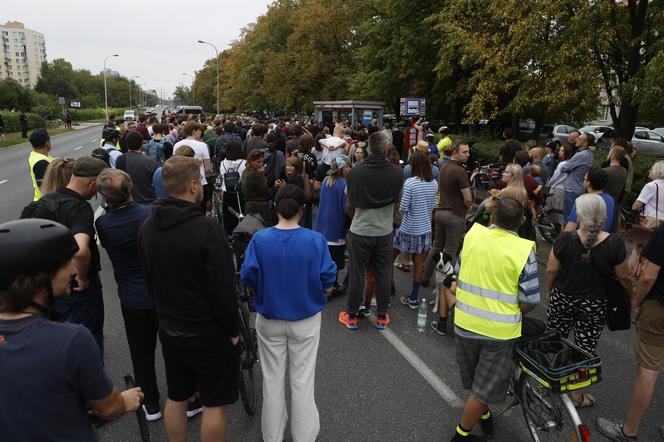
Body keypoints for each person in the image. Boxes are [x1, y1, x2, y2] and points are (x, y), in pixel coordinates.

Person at [0, 218, 144, 441]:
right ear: (37, 278)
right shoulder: (71, 340)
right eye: (66, 262)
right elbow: (106, 408)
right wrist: (125, 401)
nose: (73, 270)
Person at [138, 156, 239, 442]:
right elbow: (222, 289)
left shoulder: (148, 227)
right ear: (193, 185)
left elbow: (149, 280)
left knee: (178, 396)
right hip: (207, 331)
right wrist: (232, 331)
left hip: (171, 327)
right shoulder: (206, 230)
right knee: (213, 403)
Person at [241, 185, 335, 442]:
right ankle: (304, 436)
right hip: (305, 318)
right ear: (302, 210)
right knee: (303, 379)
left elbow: (248, 275)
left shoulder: (260, 239)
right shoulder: (315, 240)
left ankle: (272, 436)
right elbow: (328, 278)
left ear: (275, 208)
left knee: (272, 380)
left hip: (269, 318)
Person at [450, 197, 540, 441]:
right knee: (483, 389)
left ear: (492, 216)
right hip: (499, 333)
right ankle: (461, 436)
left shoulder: (473, 236)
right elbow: (531, 298)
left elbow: (457, 274)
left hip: (464, 323)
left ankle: (484, 416)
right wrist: (516, 312)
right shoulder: (524, 250)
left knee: (475, 382)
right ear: (522, 221)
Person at [546, 194, 632, 407]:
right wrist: (631, 296)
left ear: (580, 214)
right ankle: (577, 395)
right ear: (604, 214)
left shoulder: (565, 239)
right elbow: (624, 276)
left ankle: (547, 383)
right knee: (584, 348)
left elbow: (551, 269)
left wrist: (550, 291)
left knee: (555, 340)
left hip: (562, 297)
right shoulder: (614, 243)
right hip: (594, 304)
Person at [21, 157, 108, 354]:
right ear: (93, 183)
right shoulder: (79, 208)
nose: (98, 192)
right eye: (99, 187)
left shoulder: (42, 203)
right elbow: (81, 249)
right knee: (86, 347)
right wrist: (82, 277)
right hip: (77, 293)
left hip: (46, 289)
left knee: (56, 348)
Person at [95, 169, 162, 421]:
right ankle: (187, 396)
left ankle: (151, 403)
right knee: (174, 346)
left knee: (141, 352)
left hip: (131, 296)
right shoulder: (150, 213)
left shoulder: (103, 223)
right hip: (159, 292)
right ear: (130, 187)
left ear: (105, 198)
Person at [596, 223, 664, 441]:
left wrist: (635, 302)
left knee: (648, 368)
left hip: (659, 307)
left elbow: (648, 277)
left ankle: (629, 431)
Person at [338, 132, 403, 330]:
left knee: (357, 273)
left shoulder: (355, 172)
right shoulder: (397, 172)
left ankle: (352, 315)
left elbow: (349, 205)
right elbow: (397, 203)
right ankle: (382, 315)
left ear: (367, 149)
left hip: (361, 229)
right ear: (385, 149)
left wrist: (357, 220)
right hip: (384, 230)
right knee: (383, 273)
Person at [422, 141, 472, 287]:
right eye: (464, 152)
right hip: (454, 215)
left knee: (436, 246)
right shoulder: (460, 172)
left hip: (440, 213)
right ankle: (446, 285)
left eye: (468, 152)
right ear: (455, 152)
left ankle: (425, 277)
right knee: (450, 250)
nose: (468, 155)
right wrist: (467, 207)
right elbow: (468, 198)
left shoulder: (444, 167)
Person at [395, 151, 439, 308]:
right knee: (419, 264)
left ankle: (385, 292)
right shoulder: (434, 183)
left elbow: (403, 208)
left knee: (390, 257)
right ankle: (413, 298)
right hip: (425, 229)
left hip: (408, 228)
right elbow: (433, 206)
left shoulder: (410, 183)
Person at [314, 155, 351, 295]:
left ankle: (323, 283)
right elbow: (345, 208)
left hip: (322, 227)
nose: (349, 169)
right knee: (335, 261)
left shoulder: (325, 180)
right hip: (337, 228)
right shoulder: (344, 185)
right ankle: (332, 285)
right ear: (343, 169)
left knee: (324, 258)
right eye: (348, 166)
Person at [173, 122, 212, 210]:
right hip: (200, 182)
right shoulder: (202, 145)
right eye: (199, 130)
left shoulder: (177, 145)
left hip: (182, 183)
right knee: (200, 211)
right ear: (194, 131)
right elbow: (208, 168)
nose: (201, 132)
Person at [564, 168, 615, 232]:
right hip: (603, 238)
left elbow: (570, 229)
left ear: (588, 183)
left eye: (584, 179)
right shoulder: (610, 200)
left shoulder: (582, 201)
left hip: (586, 239)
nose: (583, 181)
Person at [559, 132, 595, 222]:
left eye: (580, 139)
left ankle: (567, 235)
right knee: (576, 216)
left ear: (585, 143)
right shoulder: (589, 154)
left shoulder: (581, 155)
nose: (576, 140)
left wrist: (568, 163)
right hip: (580, 188)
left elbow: (563, 168)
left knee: (569, 217)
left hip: (572, 189)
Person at [116, 132, 159, 203]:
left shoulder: (120, 159)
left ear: (126, 144)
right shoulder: (149, 161)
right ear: (141, 144)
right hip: (147, 202)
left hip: (128, 203)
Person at [218, 140, 246, 235]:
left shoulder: (223, 163)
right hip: (241, 193)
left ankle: (230, 236)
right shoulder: (244, 163)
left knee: (229, 218)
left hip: (227, 193)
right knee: (242, 215)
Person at [242, 149, 275, 225]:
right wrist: (262, 175)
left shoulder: (245, 172)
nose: (261, 164)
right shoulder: (254, 175)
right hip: (259, 209)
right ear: (250, 161)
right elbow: (268, 194)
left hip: (250, 207)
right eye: (258, 162)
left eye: (262, 161)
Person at [27, 128, 54, 200]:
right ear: (47, 143)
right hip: (46, 203)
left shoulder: (35, 155)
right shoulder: (41, 163)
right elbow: (45, 189)